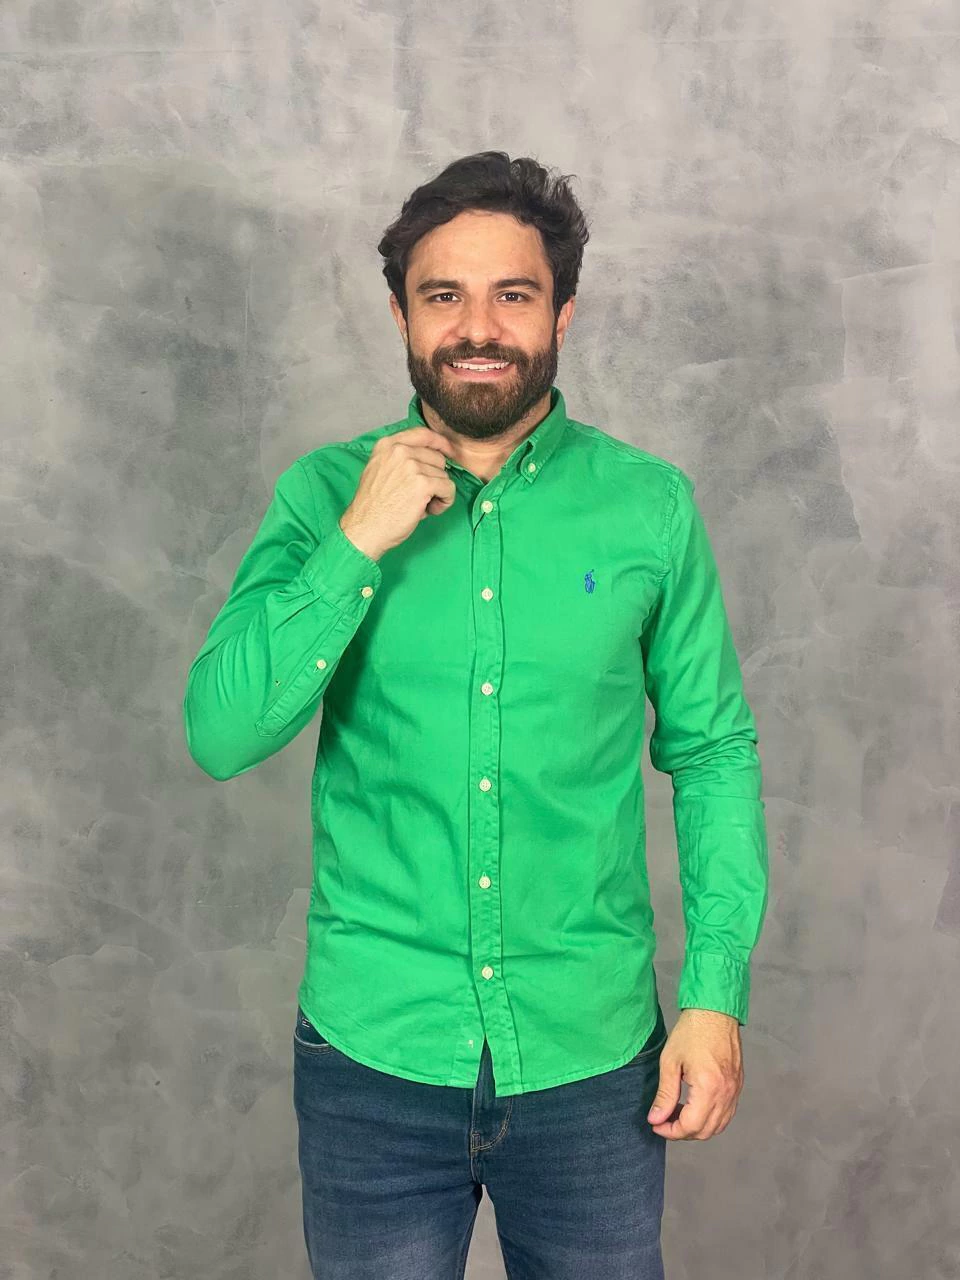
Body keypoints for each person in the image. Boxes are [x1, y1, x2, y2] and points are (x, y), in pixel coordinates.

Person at [182, 150, 769, 1279]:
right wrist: (356, 544)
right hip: (373, 1055)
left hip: (591, 1056)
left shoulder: (650, 507)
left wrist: (714, 993)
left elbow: (714, 753)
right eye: (444, 294)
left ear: (564, 312)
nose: (478, 327)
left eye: (514, 293)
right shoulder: (323, 496)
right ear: (402, 314)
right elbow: (220, 733)